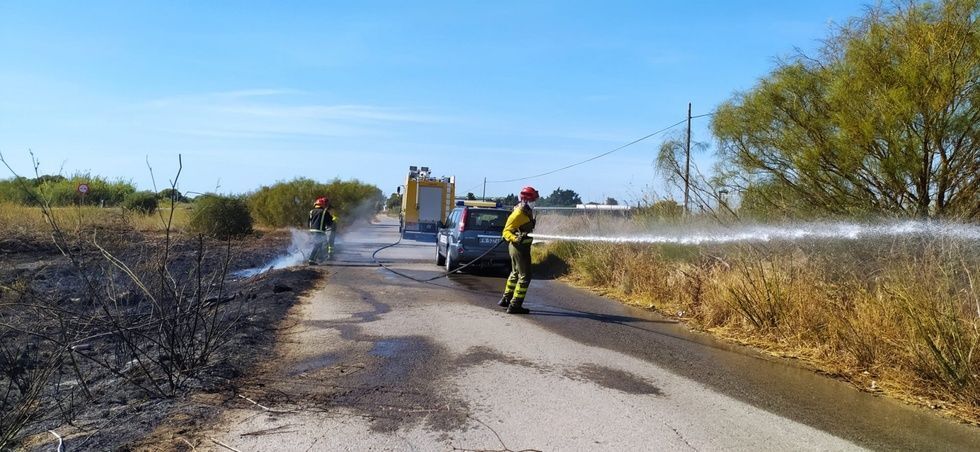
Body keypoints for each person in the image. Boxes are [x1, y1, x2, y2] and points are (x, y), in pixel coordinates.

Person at [498, 186, 539, 314]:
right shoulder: (518, 213)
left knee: (515, 273)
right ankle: (515, 305)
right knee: (525, 276)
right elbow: (506, 232)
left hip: (522, 247)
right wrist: (516, 238)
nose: (534, 203)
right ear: (525, 200)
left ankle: (506, 299)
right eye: (533, 201)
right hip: (519, 248)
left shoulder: (526, 212)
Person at [308, 196, 337, 264]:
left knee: (319, 244)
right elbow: (329, 222)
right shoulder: (324, 212)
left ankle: (320, 258)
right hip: (320, 231)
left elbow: (309, 221)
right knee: (318, 245)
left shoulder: (311, 211)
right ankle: (311, 260)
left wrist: (310, 229)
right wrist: (334, 222)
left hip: (312, 231)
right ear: (322, 205)